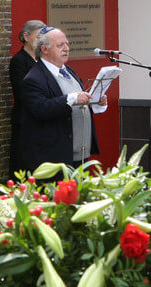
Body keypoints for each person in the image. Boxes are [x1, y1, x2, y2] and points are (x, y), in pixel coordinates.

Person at [16, 26, 104, 171]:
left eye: (67, 44)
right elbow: (40, 109)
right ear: (44, 49)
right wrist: (72, 98)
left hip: (81, 155)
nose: (66, 48)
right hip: (56, 158)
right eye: (60, 45)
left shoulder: (69, 70)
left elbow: (76, 104)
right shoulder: (34, 78)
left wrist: (95, 102)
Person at [8, 20, 44, 174]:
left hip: (41, 116)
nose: (41, 42)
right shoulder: (19, 61)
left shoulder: (43, 60)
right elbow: (23, 91)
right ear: (26, 36)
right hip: (25, 119)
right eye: (38, 37)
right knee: (24, 161)